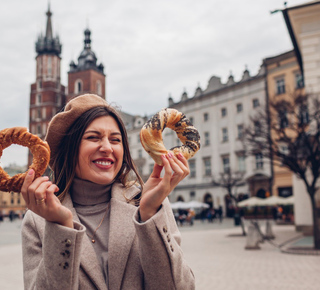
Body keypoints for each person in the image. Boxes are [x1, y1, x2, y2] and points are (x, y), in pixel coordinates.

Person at [20, 94, 195, 289]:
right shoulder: (38, 220)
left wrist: (149, 215)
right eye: (93, 137)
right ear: (69, 149)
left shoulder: (148, 202)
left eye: (115, 140)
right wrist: (61, 227)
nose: (107, 148)